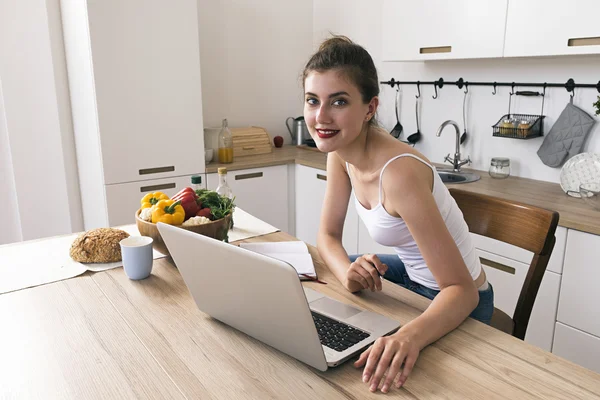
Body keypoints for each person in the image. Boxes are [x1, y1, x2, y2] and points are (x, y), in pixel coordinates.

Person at [302, 36, 494, 393]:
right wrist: (347, 273)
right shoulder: (339, 154)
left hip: (457, 299)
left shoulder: (399, 173)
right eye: (313, 100)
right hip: (413, 280)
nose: (321, 117)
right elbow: (327, 238)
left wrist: (409, 337)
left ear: (370, 107)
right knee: (330, 274)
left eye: (338, 102)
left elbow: (461, 292)